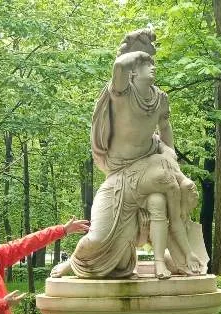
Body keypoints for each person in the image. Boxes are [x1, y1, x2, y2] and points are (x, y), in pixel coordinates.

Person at [52, 29, 205, 280]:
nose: (152, 66)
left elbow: (165, 130)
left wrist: (171, 158)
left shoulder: (160, 99)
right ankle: (75, 262)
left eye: (152, 62)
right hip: (118, 174)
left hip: (149, 163)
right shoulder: (121, 93)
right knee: (97, 238)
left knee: (173, 194)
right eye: (146, 64)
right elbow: (119, 65)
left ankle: (170, 259)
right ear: (134, 70)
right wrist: (137, 48)